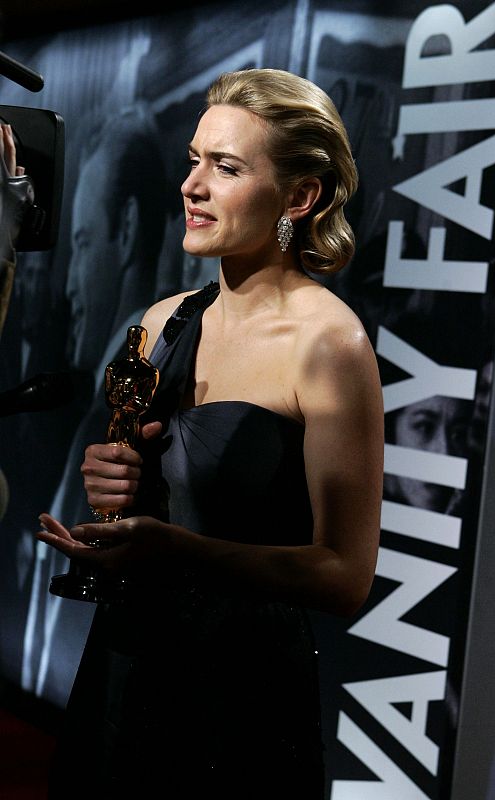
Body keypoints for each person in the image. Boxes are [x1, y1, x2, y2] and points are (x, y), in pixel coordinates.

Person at [36, 68, 384, 799]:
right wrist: (112, 483)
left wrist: (177, 550)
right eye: (194, 159)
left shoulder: (329, 345)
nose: (192, 184)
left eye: (224, 167)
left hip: (242, 699)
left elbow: (345, 576)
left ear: (299, 196)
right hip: (127, 666)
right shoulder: (163, 323)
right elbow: (131, 486)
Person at [21, 103, 168, 704]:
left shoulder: (139, 398)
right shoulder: (100, 396)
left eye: (82, 245)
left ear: (128, 232)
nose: (71, 284)